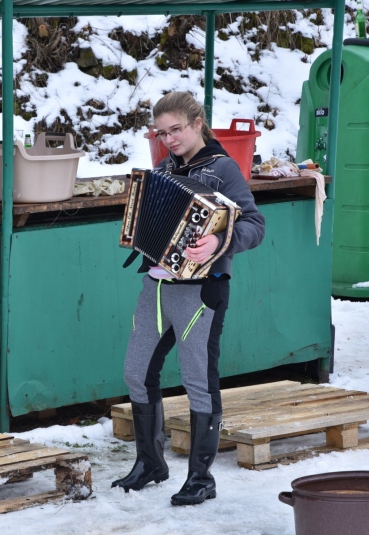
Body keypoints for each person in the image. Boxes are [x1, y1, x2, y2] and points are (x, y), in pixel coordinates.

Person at [112, 91, 266, 506]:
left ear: (198, 123)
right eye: (162, 133)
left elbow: (255, 223)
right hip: (157, 287)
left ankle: (201, 477)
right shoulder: (163, 167)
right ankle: (151, 464)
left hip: (200, 290)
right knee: (136, 372)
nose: (169, 139)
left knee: (199, 382)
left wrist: (218, 238)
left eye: (176, 130)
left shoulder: (223, 169)